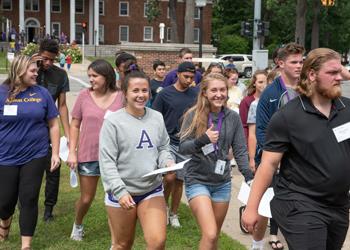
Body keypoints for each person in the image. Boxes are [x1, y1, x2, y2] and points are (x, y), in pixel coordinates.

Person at [242, 48, 350, 250]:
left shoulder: (347, 109)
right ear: (311, 75)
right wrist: (251, 206)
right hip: (300, 204)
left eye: (340, 72)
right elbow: (269, 163)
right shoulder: (288, 116)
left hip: (338, 205)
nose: (339, 78)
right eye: (332, 73)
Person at [99, 70, 174, 250]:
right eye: (135, 91)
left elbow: (163, 147)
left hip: (151, 189)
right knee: (122, 244)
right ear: (124, 93)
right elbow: (107, 161)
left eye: (145, 90)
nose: (141, 95)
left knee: (157, 242)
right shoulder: (113, 122)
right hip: (122, 193)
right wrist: (120, 191)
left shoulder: (157, 117)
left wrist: (167, 161)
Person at [179, 73, 253, 249]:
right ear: (204, 92)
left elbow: (240, 149)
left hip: (222, 183)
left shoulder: (233, 118)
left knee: (213, 237)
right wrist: (202, 139)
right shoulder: (193, 115)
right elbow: (183, 147)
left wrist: (249, 176)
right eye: (214, 90)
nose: (219, 94)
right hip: (197, 180)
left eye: (222, 90)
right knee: (210, 233)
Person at [0, 55, 60, 249]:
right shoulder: (1, 93)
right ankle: (5, 219)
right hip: (5, 156)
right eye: (32, 70)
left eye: (36, 70)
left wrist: (56, 153)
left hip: (35, 154)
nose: (36, 73)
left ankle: (26, 245)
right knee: (5, 200)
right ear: (20, 70)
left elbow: (53, 124)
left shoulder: (42, 93)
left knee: (29, 197)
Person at [250, 42, 304, 250]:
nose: (299, 66)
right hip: (274, 160)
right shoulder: (271, 94)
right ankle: (257, 244)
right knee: (266, 207)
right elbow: (262, 131)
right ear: (280, 63)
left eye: (301, 61)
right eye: (294, 62)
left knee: (294, 207)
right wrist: (275, 157)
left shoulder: (308, 89)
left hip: (301, 160)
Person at [67, 59, 124, 241]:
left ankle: (116, 239)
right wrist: (72, 151)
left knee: (115, 197)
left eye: (95, 76)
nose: (91, 79)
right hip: (89, 154)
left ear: (107, 76)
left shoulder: (122, 96)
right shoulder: (84, 96)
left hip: (116, 156)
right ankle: (78, 224)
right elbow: (75, 124)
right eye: (89, 76)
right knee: (86, 198)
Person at [152, 61, 198, 228]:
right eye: (186, 76)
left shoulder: (196, 93)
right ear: (178, 74)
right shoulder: (164, 94)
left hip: (186, 143)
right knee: (169, 177)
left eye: (192, 77)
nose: (189, 80)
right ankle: (162, 206)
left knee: (179, 181)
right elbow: (155, 117)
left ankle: (174, 213)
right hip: (168, 142)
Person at [37, 38, 70, 222]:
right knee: (30, 170)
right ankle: (24, 202)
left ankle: (49, 208)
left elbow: (63, 106)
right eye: (45, 58)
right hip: (30, 129)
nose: (48, 63)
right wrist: (31, 63)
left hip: (51, 129)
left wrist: (68, 135)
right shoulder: (30, 69)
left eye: (52, 59)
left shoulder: (60, 75)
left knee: (53, 170)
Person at [239, 70, 268, 144]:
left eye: (266, 82)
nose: (264, 85)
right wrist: (247, 145)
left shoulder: (272, 100)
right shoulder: (246, 101)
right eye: (260, 82)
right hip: (253, 141)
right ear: (254, 83)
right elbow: (244, 126)